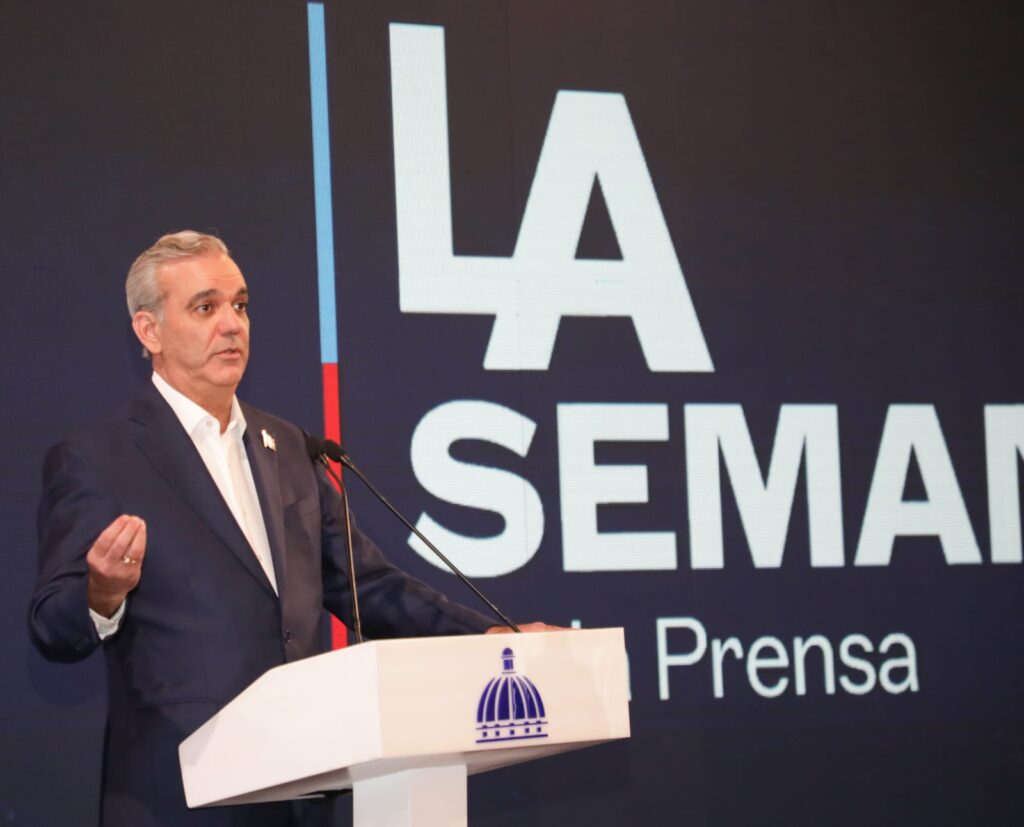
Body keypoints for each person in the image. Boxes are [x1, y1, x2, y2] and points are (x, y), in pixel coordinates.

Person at [28, 231, 543, 827]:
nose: (232, 324)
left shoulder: (290, 447)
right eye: (205, 307)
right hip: (178, 798)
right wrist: (102, 593)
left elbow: (368, 586)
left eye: (240, 305)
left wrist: (491, 638)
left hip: (301, 785)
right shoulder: (99, 457)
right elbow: (51, 626)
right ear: (150, 331)